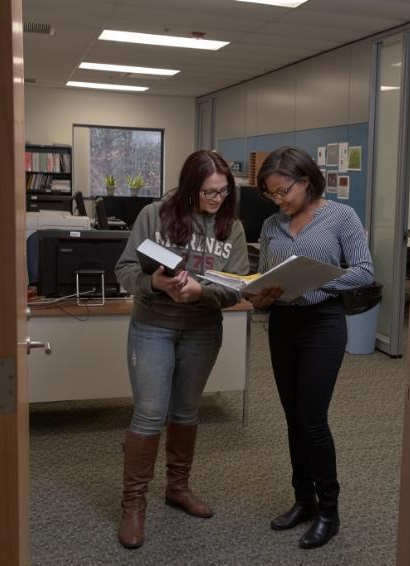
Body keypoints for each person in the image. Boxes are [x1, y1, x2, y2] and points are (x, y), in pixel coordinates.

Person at [113, 149, 249, 549]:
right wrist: (154, 284)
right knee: (150, 413)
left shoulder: (231, 227)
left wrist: (200, 293)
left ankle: (177, 487)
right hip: (153, 326)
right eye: (209, 192)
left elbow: (236, 286)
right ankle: (133, 504)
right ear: (190, 187)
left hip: (202, 330)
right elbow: (125, 269)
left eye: (223, 191)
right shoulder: (153, 215)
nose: (217, 199)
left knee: (186, 411)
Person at [249, 146, 374, 549]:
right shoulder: (271, 224)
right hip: (283, 324)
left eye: (283, 191)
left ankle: (329, 512)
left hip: (323, 323)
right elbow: (265, 274)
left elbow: (364, 271)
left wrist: (316, 281)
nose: (278, 200)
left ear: (305, 181)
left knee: (312, 419)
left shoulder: (341, 216)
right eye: (271, 194)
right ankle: (304, 501)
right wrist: (259, 293)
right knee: (293, 418)